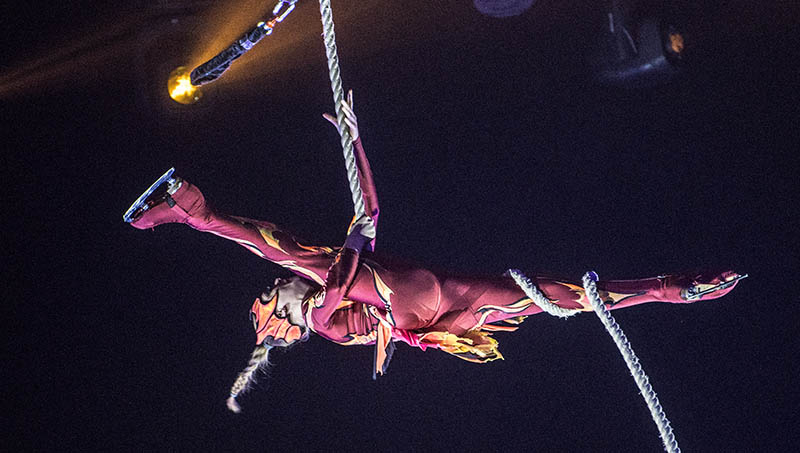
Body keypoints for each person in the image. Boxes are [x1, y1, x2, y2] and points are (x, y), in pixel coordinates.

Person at [125, 90, 743, 411]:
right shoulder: (319, 316)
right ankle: (195, 214)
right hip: (423, 305)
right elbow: (348, 235)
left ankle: (669, 288)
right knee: (284, 250)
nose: (269, 293)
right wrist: (355, 150)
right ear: (282, 318)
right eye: (268, 301)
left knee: (570, 299)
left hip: (443, 297)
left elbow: (367, 215)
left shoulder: (324, 291)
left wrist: (355, 139)